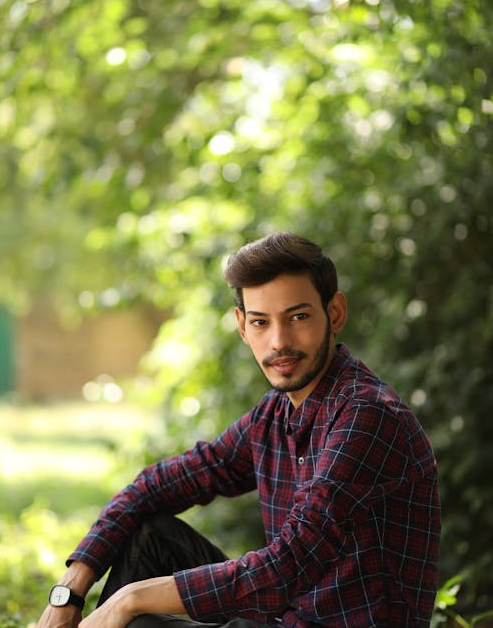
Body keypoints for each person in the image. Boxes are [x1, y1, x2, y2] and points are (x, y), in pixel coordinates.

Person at [36, 232, 440, 628]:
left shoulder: (367, 415)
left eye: (298, 317)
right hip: (284, 617)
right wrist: (69, 591)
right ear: (243, 327)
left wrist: (130, 599)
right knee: (149, 537)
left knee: (138, 619)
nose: (279, 341)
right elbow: (154, 486)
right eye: (261, 322)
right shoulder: (273, 416)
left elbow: (289, 565)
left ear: (334, 313)